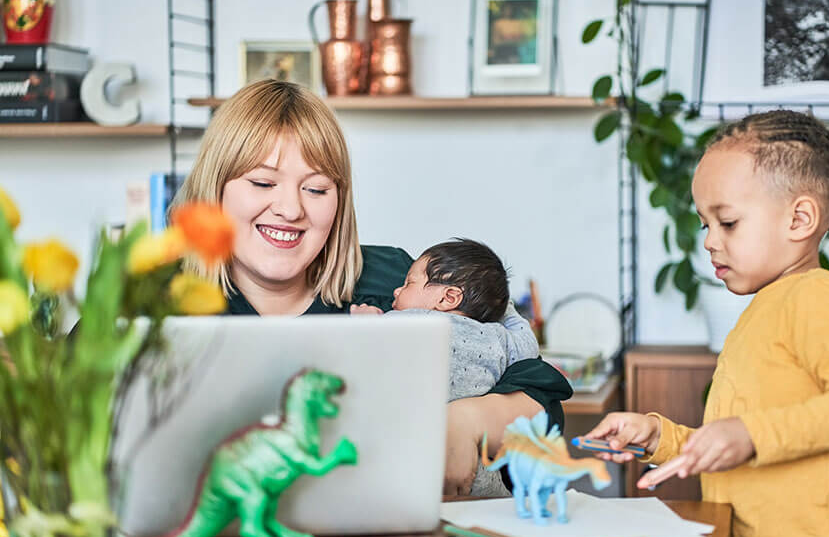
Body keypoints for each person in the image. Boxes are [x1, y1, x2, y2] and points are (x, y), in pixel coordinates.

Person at [172, 79, 571, 495]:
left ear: (340, 199)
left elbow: (545, 401)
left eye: (316, 188)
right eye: (263, 183)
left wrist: (468, 420)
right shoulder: (161, 300)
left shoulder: (398, 280)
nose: (290, 209)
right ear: (215, 190)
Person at [585, 110, 829, 537]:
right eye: (705, 223)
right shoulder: (767, 306)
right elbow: (740, 442)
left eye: (727, 222)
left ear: (800, 219)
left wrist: (748, 434)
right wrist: (659, 435)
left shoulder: (819, 299)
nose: (709, 241)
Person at [352, 238, 540, 495]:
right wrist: (502, 304)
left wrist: (364, 322)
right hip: (476, 477)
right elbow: (529, 346)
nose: (396, 291)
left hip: (405, 466)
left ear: (448, 297)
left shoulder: (400, 323)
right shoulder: (498, 337)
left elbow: (359, 356)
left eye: (408, 284)